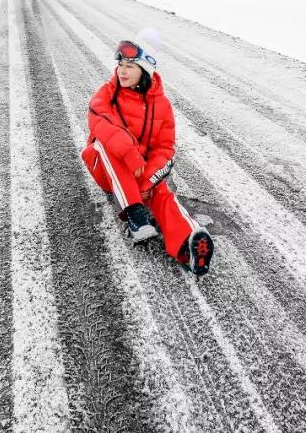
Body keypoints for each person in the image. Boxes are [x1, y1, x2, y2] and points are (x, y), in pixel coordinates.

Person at [81, 39, 214, 276]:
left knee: (162, 194)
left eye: (130, 66)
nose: (122, 70)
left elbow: (165, 147)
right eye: (120, 64)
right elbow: (98, 120)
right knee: (102, 142)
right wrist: (130, 155)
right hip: (109, 169)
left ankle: (189, 245)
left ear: (145, 71)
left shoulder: (161, 105)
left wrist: (147, 181)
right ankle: (135, 214)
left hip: (140, 171)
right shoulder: (108, 93)